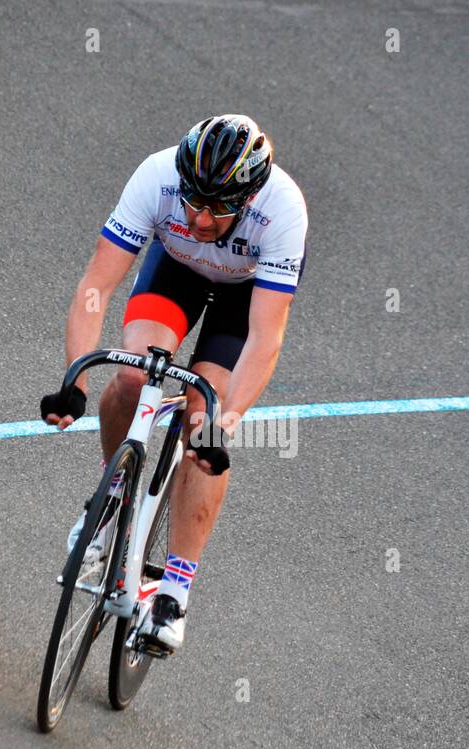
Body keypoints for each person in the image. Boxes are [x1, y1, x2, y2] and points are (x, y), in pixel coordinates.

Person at [39, 114, 309, 653]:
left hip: (243, 297)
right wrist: (74, 379)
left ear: (250, 199)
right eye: (193, 201)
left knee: (199, 421)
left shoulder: (283, 211)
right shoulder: (156, 176)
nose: (202, 218)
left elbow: (264, 339)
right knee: (133, 374)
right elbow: (96, 285)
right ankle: (110, 500)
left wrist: (224, 421)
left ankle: (174, 593)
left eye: (220, 208)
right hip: (176, 272)